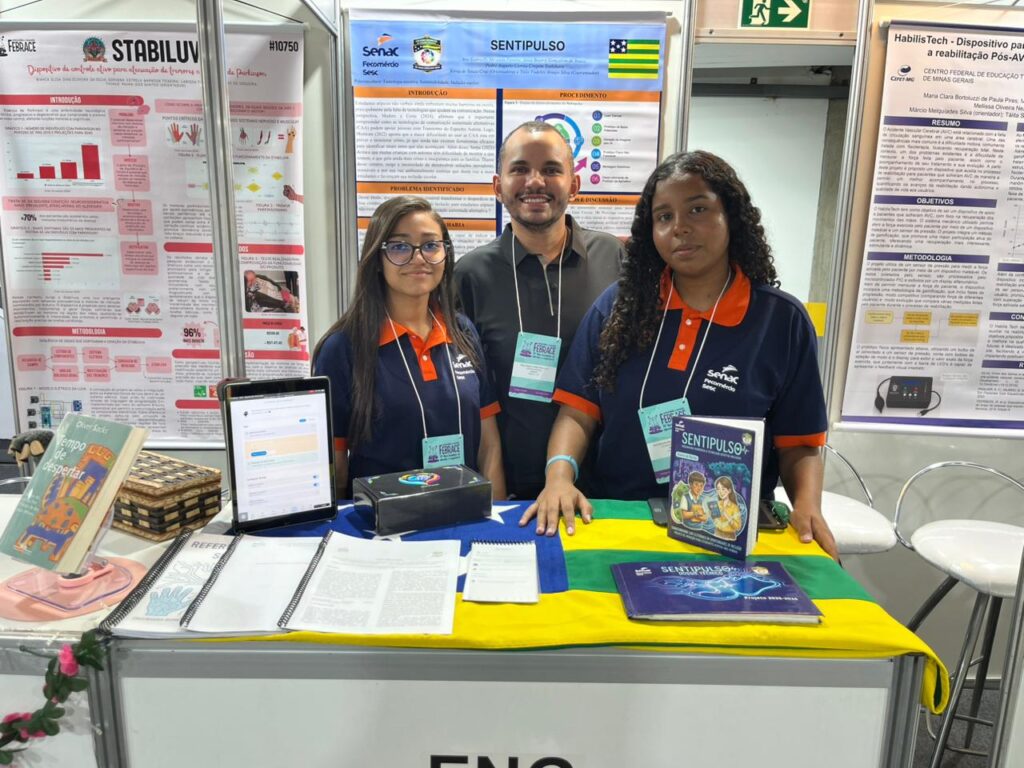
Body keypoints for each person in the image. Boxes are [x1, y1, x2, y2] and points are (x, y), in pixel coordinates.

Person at [522, 150, 838, 559]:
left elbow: (799, 443)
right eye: (664, 216)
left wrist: (808, 507)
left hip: (728, 531)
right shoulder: (618, 307)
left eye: (698, 209)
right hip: (619, 519)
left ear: (731, 216)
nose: (680, 228)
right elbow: (577, 413)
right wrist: (559, 478)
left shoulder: (781, 321)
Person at [454, 120, 623, 499]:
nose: (534, 182)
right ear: (498, 186)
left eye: (550, 169)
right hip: (507, 487)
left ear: (574, 185)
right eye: (519, 169)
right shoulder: (469, 275)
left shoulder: (612, 258)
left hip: (601, 490)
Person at [312, 196, 506, 498]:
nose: (418, 258)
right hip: (382, 521)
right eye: (400, 247)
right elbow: (334, 468)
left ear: (445, 254)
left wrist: (497, 513)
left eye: (430, 245)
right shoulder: (343, 349)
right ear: (377, 258)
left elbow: (489, 444)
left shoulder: (462, 331)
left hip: (464, 513)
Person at [711, 476, 744, 541]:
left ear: (729, 490)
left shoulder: (735, 507)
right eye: (718, 489)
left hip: (729, 536)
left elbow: (738, 527)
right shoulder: (716, 504)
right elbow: (715, 522)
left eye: (723, 489)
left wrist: (727, 516)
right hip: (717, 533)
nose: (720, 492)